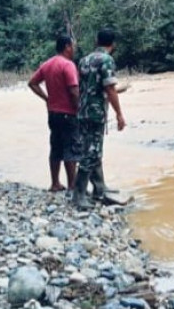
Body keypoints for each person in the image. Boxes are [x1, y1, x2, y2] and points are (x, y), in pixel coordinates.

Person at [73, 28, 126, 209]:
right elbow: (109, 89)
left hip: (82, 111)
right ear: (113, 44)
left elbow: (86, 87)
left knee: (93, 149)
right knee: (92, 152)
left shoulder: (84, 60)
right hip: (95, 113)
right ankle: (78, 194)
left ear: (96, 41)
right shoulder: (107, 60)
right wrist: (119, 114)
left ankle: (99, 188)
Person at [28, 35, 80, 191]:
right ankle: (72, 185)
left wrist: (47, 98)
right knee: (70, 148)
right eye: (73, 46)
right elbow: (74, 91)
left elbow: (32, 83)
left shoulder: (47, 64)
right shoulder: (68, 65)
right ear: (67, 47)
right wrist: (79, 109)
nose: (74, 49)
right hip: (68, 113)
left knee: (56, 147)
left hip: (53, 113)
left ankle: (55, 183)